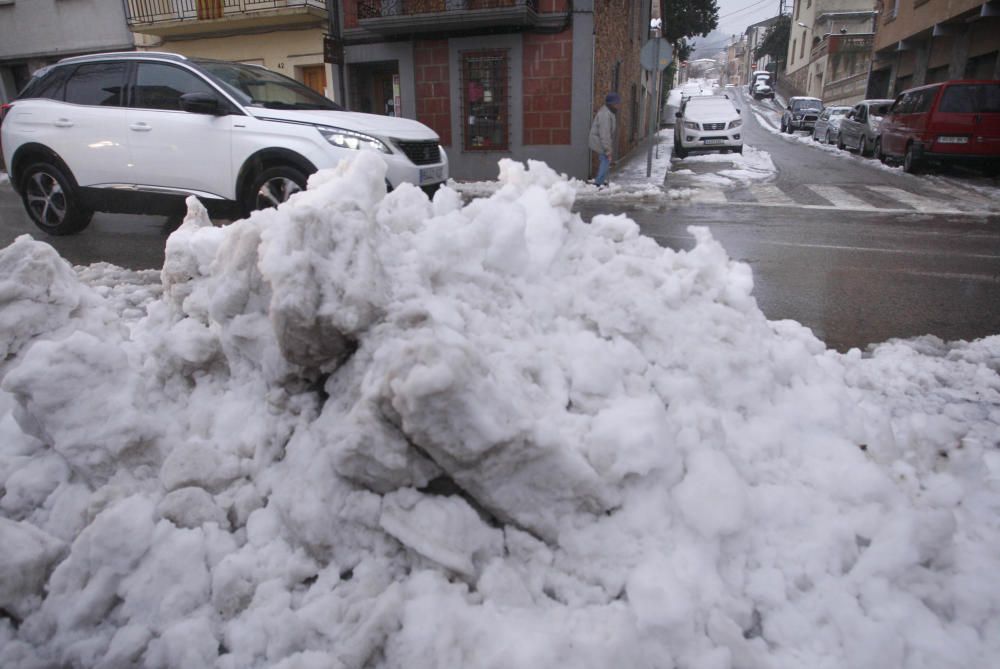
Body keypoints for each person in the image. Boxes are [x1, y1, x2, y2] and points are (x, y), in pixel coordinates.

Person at [589, 92, 620, 188]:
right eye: (616, 103)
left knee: (605, 159)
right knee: (606, 159)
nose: (618, 106)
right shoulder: (605, 114)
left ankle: (600, 180)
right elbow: (604, 133)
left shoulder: (609, 112)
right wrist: (608, 150)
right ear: (611, 103)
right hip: (599, 140)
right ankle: (598, 182)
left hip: (601, 139)